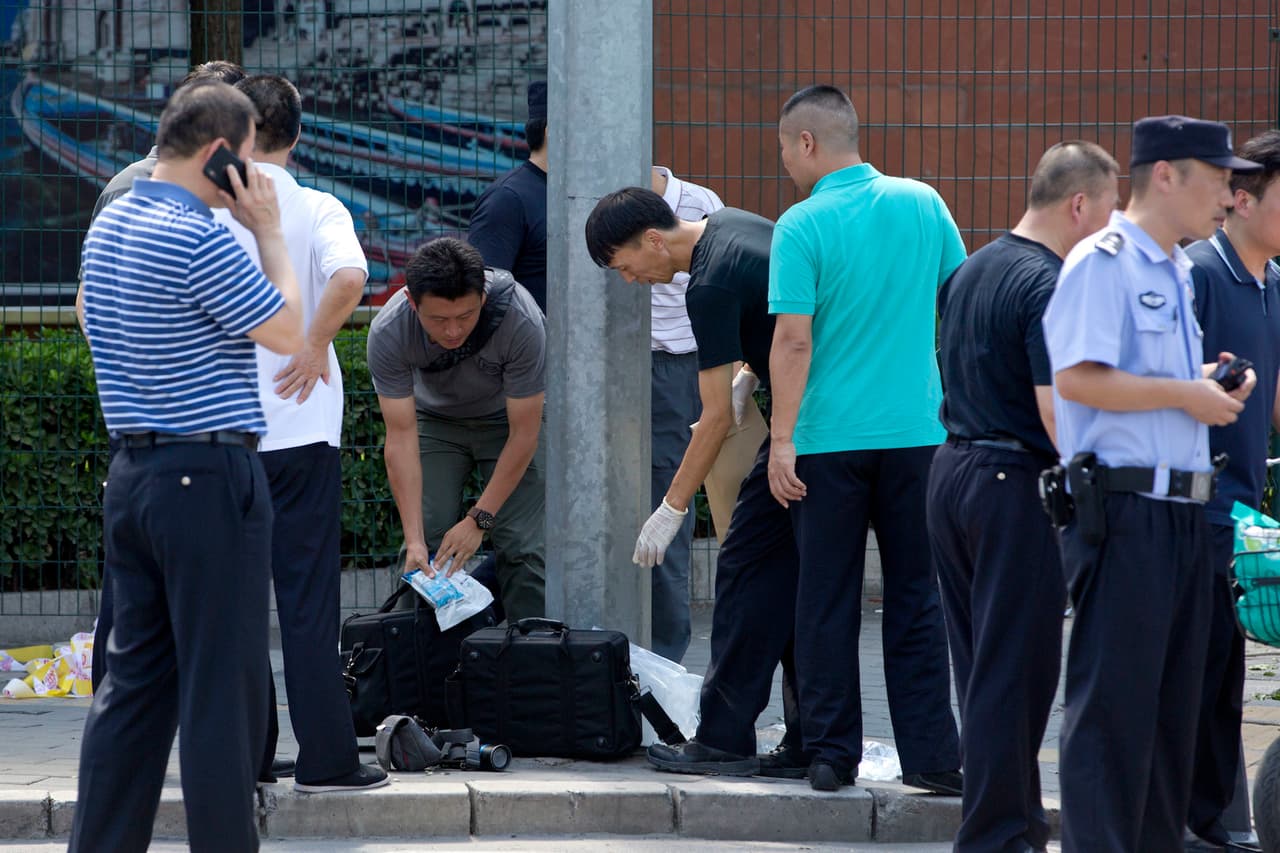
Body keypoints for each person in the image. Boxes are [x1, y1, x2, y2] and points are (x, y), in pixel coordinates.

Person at [72, 81, 303, 852]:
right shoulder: (196, 234)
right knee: (220, 689)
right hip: (206, 474)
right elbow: (287, 331)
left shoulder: (108, 225)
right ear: (220, 156)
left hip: (133, 475)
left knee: (132, 687)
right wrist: (267, 231)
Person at [1042, 115, 1260, 851]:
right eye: (1219, 175)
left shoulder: (1174, 266)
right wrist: (1182, 395)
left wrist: (1205, 385)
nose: (1231, 193)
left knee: (1173, 716)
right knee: (1114, 714)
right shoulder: (1105, 261)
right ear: (1164, 174)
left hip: (1183, 517)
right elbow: (1077, 377)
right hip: (1128, 509)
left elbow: (1144, 379)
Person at [767, 84, 963, 793]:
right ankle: (936, 757)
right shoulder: (924, 202)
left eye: (786, 147)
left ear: (808, 143)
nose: (785, 160)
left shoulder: (800, 224)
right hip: (920, 433)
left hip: (826, 443)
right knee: (919, 595)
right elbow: (958, 304)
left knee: (826, 598)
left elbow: (792, 341)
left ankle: (831, 754)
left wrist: (781, 439)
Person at [928, 142, 1120, 852]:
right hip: (1013, 485)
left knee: (981, 666)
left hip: (951, 472)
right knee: (1017, 669)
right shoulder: (1049, 284)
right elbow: (1056, 410)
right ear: (1078, 206)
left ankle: (1003, 823)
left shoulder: (973, 267)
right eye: (1107, 214)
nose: (1109, 232)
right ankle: (1001, 834)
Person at [584, 187, 805, 779]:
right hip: (826, 415)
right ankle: (807, 738)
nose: (633, 281)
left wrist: (672, 507)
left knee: (745, 575)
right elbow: (782, 309)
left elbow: (711, 421)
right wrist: (751, 375)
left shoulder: (704, 287)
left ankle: (723, 740)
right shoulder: (733, 222)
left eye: (628, 268)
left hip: (805, 428)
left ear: (654, 239)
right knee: (793, 587)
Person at [214, 74, 387, 794]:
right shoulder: (319, 205)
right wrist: (315, 344)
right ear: (299, 134)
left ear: (239, 135)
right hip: (306, 432)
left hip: (227, 434)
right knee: (309, 602)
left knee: (238, 603)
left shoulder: (212, 212)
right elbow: (353, 275)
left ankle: (249, 756)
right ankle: (328, 757)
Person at [75, 58, 247, 698]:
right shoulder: (141, 190)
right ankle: (123, 723)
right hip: (162, 431)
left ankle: (122, 730)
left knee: (141, 592)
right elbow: (93, 305)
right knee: (139, 595)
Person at [368, 237, 547, 621]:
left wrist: (479, 520)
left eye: (465, 317)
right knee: (424, 547)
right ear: (412, 303)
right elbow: (400, 437)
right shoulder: (389, 331)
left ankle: (535, 660)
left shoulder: (522, 319)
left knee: (524, 547)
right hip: (436, 422)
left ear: (482, 299)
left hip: (506, 424)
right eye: (438, 320)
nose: (452, 332)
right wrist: (415, 538)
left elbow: (525, 433)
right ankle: (413, 662)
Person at [1185, 130, 1280, 853]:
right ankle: (1192, 818)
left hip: (1244, 509)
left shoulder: (1272, 281)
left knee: (1226, 672)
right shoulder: (1197, 275)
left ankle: (1215, 818)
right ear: (1240, 198)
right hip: (1189, 507)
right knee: (1197, 667)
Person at [641, 165, 724, 663]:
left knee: (666, 513)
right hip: (605, 364)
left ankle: (665, 660)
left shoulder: (700, 203)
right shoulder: (586, 189)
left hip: (676, 366)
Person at [467, 81, 548, 312]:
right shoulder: (507, 199)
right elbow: (482, 292)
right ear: (552, 131)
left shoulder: (580, 194)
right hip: (530, 344)